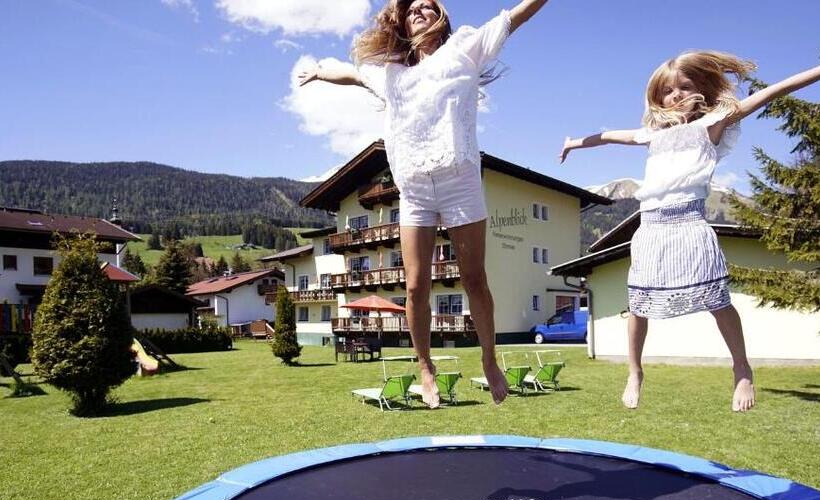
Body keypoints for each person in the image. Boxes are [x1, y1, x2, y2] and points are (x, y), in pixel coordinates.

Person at [299, 0, 551, 408]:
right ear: (403, 21)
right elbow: (353, 73)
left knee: (474, 279)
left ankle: (489, 358)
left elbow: (514, 17)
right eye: (412, 7)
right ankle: (425, 367)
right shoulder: (393, 75)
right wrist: (319, 73)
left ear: (441, 17)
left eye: (427, 5)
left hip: (460, 182)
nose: (418, 9)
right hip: (414, 189)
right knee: (415, 285)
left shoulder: (464, 49)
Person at [559, 51, 820, 412]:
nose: (676, 95)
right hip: (650, 228)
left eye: (685, 86)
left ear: (702, 89)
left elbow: (774, 91)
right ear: (658, 98)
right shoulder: (650, 134)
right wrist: (574, 142)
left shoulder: (712, 124)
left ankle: (741, 368)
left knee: (717, 300)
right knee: (638, 305)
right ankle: (635, 371)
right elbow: (606, 137)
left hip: (690, 224)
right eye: (668, 90)